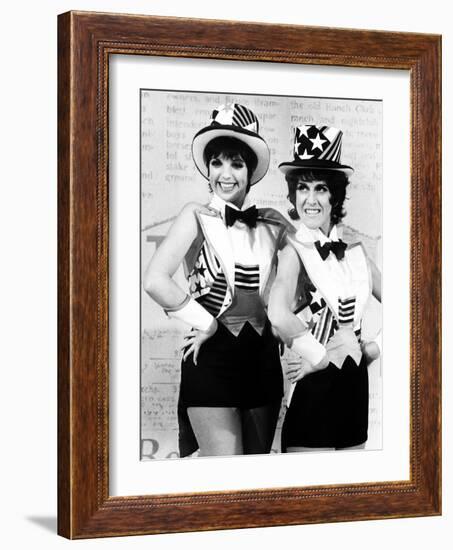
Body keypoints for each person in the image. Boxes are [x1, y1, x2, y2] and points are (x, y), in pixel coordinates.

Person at [144, 103, 293, 457]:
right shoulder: (194, 215)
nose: (225, 174)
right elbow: (154, 280)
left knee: (253, 486)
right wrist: (204, 322)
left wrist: (296, 332)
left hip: (263, 363)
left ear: (251, 171)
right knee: (223, 484)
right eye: (217, 162)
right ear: (208, 168)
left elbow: (308, 282)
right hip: (211, 361)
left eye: (237, 163)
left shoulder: (274, 223)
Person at [268, 125, 381, 452]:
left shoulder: (357, 250)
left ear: (336, 195)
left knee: (350, 498)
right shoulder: (293, 250)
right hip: (315, 387)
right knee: (309, 495)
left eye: (321, 188)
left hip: (355, 387)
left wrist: (374, 348)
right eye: (302, 188)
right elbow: (277, 312)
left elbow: (410, 304)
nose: (310, 199)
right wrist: (317, 356)